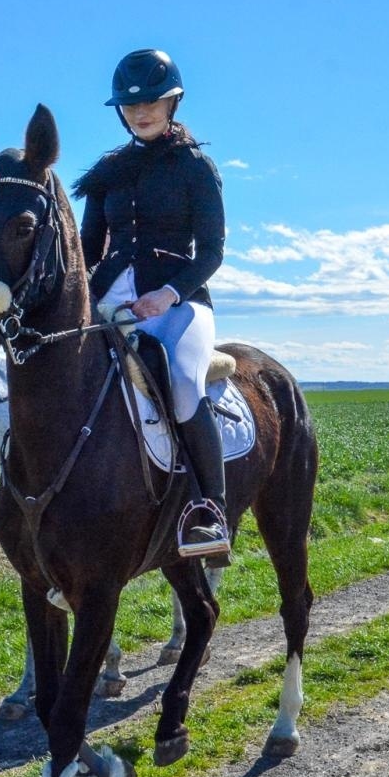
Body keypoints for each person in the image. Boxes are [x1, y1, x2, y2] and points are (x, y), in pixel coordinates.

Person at [73, 48, 230, 560]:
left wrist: (167, 294)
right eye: (131, 105)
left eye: (154, 103)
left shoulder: (196, 168)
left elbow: (211, 254)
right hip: (109, 298)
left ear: (173, 103)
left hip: (179, 301)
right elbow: (86, 249)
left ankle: (211, 512)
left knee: (183, 382)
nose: (141, 112)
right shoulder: (107, 174)